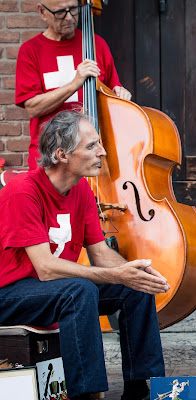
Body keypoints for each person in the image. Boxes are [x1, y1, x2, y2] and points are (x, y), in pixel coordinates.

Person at [0, 111, 169, 400]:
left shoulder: (81, 192)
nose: (102, 151)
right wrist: (114, 274)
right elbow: (45, 269)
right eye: (91, 146)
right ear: (62, 154)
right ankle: (86, 394)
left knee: (134, 288)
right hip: (10, 293)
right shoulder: (22, 192)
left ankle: (139, 389)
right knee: (78, 291)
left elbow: (101, 254)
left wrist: (131, 272)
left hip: (50, 289)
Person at [15, 0, 132, 171]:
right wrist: (75, 84)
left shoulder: (97, 44)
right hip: (52, 157)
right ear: (42, 12)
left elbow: (113, 90)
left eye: (73, 9)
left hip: (94, 156)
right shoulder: (30, 51)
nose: (69, 17)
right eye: (60, 12)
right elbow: (33, 107)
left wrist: (120, 95)